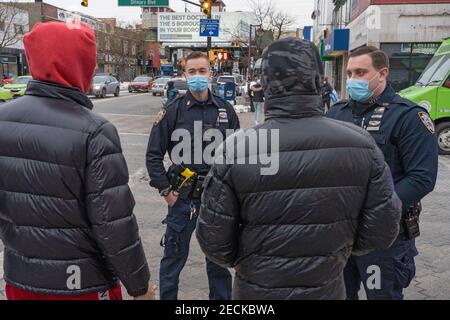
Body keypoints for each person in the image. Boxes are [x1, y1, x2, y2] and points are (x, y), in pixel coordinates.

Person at [196, 38, 402, 300]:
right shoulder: (362, 145)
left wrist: (252, 261)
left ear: (266, 82)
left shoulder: (236, 150)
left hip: (257, 290)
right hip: (327, 286)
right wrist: (336, 252)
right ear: (317, 80)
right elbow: (382, 230)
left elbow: (214, 240)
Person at [0, 22, 154, 300]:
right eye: (91, 63)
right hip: (83, 283)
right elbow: (114, 225)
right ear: (78, 65)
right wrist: (140, 286)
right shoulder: (95, 131)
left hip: (20, 280)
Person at [327, 46, 438, 300]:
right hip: (340, 235)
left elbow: (421, 178)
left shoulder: (409, 117)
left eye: (361, 72)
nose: (353, 79)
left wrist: (376, 209)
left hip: (384, 237)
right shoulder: (336, 113)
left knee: (382, 296)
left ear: (382, 74)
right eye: (350, 73)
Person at [146, 51, 240, 300]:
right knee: (172, 264)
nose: (198, 76)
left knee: (219, 264)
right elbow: (153, 156)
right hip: (183, 200)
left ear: (211, 73)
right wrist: (167, 192)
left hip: (217, 201)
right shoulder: (173, 110)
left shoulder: (225, 110)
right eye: (192, 72)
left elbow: (236, 158)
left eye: (202, 71)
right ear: (184, 75)